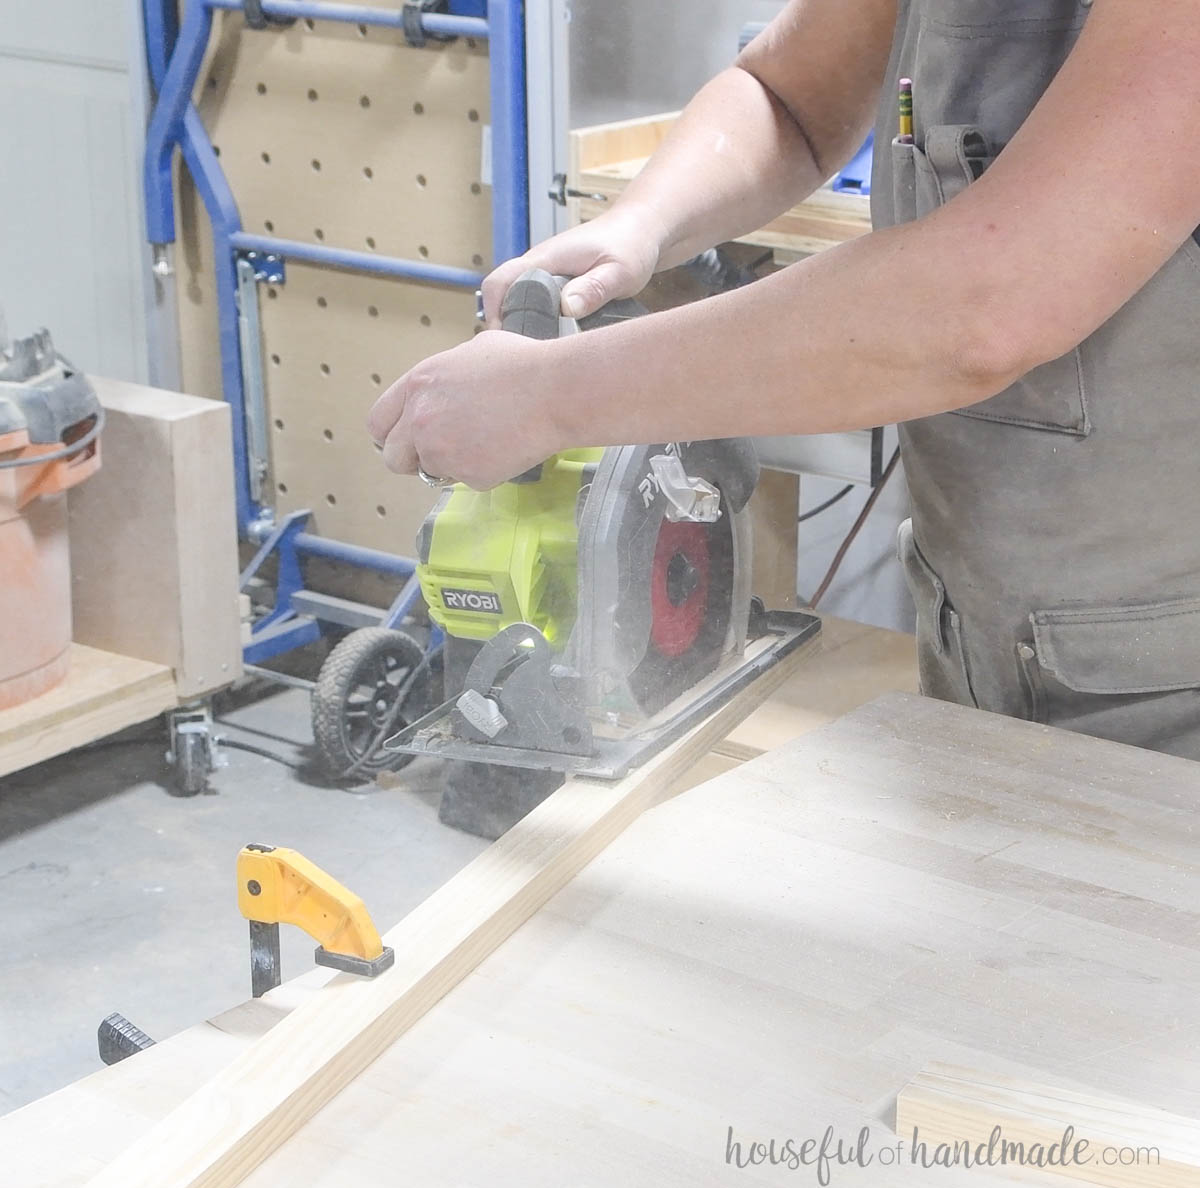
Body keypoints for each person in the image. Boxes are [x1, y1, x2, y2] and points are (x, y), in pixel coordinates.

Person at [368, 0, 1200, 759]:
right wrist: (643, 222)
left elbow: (988, 301)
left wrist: (548, 395)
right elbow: (788, 96)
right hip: (981, 628)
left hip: (1169, 690)